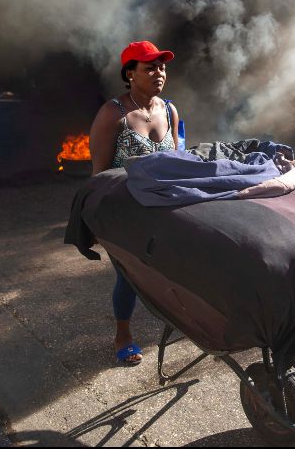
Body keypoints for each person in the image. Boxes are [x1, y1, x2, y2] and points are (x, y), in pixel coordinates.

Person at [88, 41, 180, 365]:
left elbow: (178, 164)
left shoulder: (169, 110)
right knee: (129, 276)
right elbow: (99, 174)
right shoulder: (113, 113)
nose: (159, 73)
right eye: (149, 67)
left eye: (162, 66)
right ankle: (123, 334)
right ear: (130, 74)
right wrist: (98, 223)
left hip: (164, 209)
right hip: (123, 212)